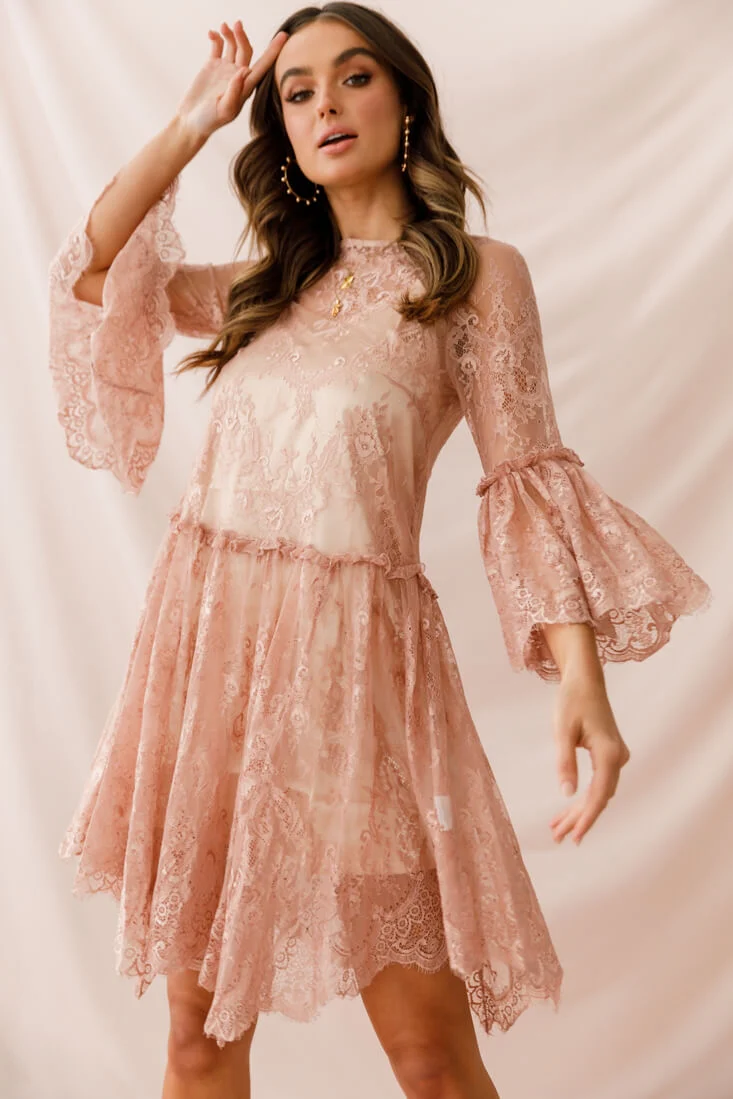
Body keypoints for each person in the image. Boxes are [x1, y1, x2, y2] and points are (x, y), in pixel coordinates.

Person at [48, 5, 712, 1098]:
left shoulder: (474, 278)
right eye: (297, 91)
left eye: (353, 77)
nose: (325, 105)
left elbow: (527, 478)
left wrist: (581, 682)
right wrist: (191, 124)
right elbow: (92, 270)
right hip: (215, 684)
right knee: (197, 1044)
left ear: (404, 101)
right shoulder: (261, 287)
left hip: (359, 696)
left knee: (431, 1061)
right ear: (282, 132)